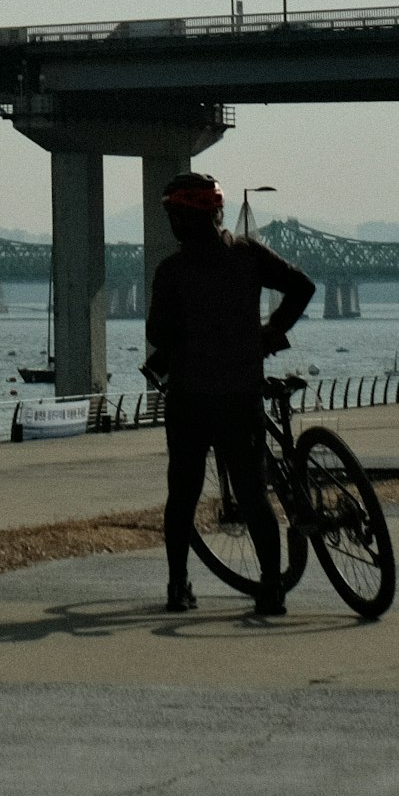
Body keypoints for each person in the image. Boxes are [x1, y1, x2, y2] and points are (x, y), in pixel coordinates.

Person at [142, 169, 313, 614]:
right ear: (217, 213)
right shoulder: (247, 255)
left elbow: (159, 332)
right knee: (254, 493)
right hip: (240, 394)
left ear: (182, 218)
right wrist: (272, 330)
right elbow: (303, 286)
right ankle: (272, 588)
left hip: (190, 399)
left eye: (173, 214)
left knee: (183, 493)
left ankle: (178, 587)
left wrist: (183, 341)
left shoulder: (172, 270)